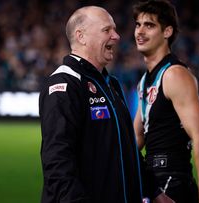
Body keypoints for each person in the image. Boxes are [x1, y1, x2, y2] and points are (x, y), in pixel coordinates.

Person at [39, 6, 144, 202]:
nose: (117, 36)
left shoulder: (110, 84)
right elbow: (57, 161)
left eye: (114, 29)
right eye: (107, 30)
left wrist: (154, 190)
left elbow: (126, 147)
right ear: (81, 36)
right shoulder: (65, 83)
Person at [132, 1, 199, 203]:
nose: (140, 31)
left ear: (167, 31)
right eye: (137, 24)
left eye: (149, 25)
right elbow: (137, 136)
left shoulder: (175, 74)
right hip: (152, 180)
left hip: (173, 181)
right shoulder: (145, 81)